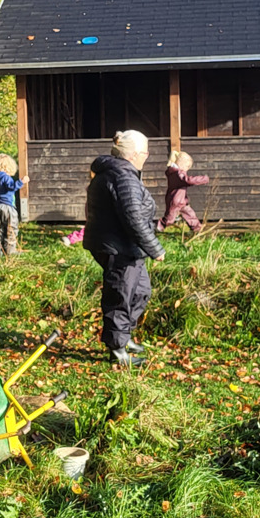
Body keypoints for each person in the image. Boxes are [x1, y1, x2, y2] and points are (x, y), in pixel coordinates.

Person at [83, 130, 165, 368]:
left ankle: (124, 338)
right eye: (146, 152)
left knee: (140, 292)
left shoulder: (119, 172)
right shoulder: (123, 176)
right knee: (121, 295)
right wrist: (155, 248)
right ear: (135, 154)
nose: (147, 157)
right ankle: (117, 350)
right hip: (118, 247)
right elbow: (133, 218)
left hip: (126, 247)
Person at [157, 150, 209, 233]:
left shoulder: (173, 172)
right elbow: (188, 180)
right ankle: (157, 227)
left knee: (190, 214)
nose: (187, 170)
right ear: (182, 164)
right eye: (187, 167)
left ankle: (198, 229)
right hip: (176, 201)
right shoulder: (177, 174)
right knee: (169, 219)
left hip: (180, 200)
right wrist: (204, 179)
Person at [0, 154, 28, 256]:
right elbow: (12, 187)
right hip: (7, 206)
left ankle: (0, 251)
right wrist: (21, 182)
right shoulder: (6, 177)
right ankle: (11, 251)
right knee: (11, 228)